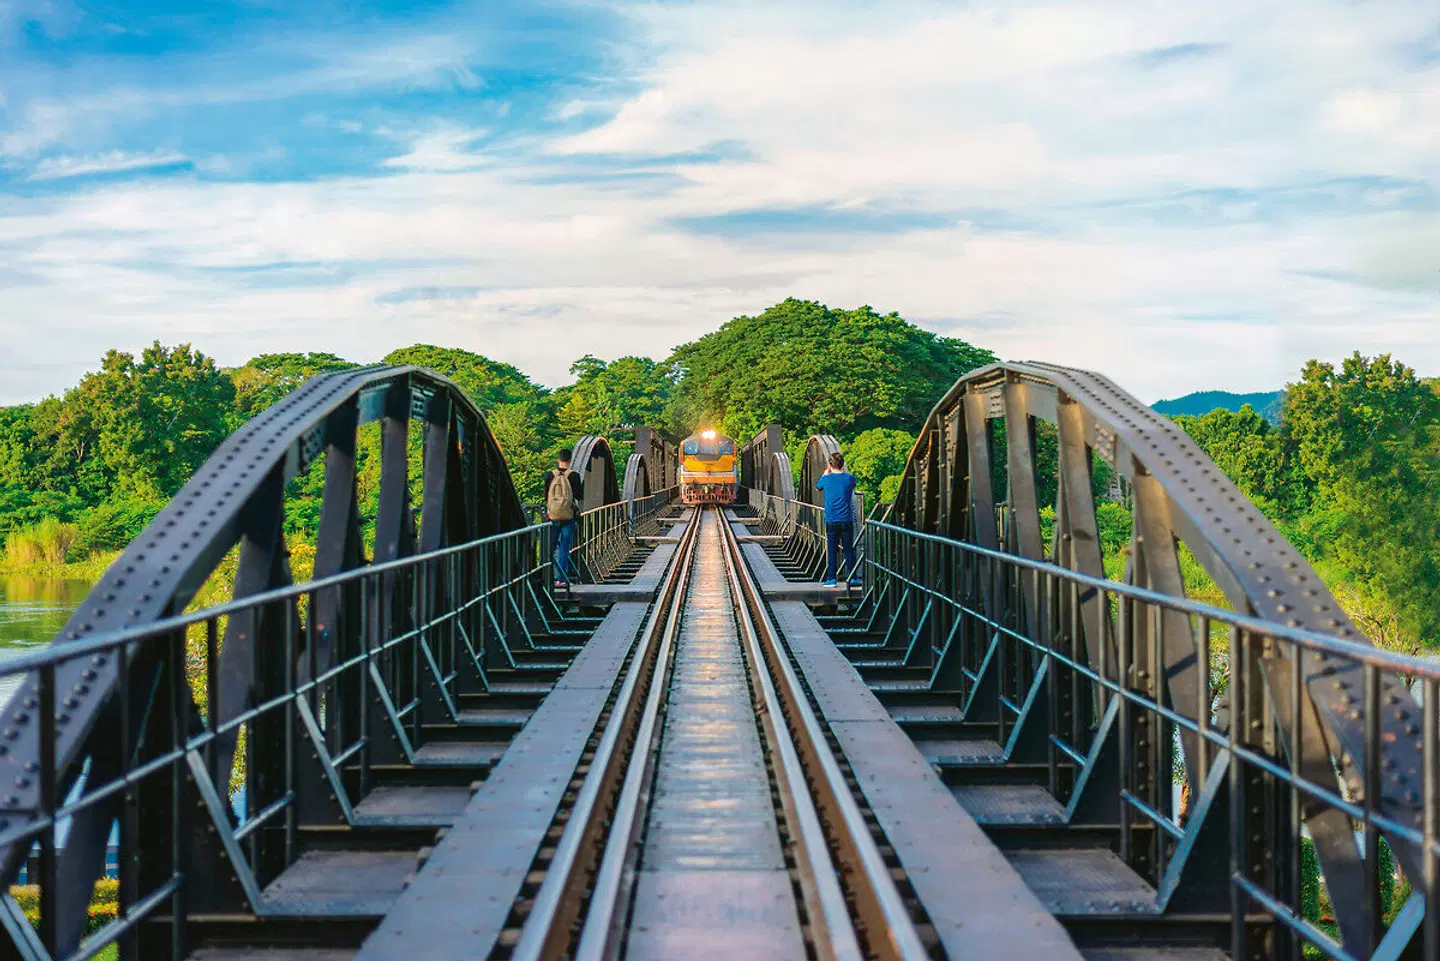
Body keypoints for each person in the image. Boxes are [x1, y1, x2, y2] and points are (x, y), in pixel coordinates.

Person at [814, 451, 858, 587]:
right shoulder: (850, 478)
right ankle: (853, 577)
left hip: (831, 519)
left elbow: (817, 488)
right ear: (843, 464)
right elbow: (852, 486)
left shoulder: (826, 479)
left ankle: (831, 579)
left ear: (830, 464)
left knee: (832, 550)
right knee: (848, 549)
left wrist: (825, 473)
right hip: (846, 519)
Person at [543, 450, 584, 588]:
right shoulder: (574, 476)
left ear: (558, 460)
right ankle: (561, 579)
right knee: (564, 548)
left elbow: (545, 496)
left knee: (550, 547)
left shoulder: (550, 475)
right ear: (570, 461)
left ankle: (546, 579)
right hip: (568, 517)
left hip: (553, 517)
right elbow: (579, 496)